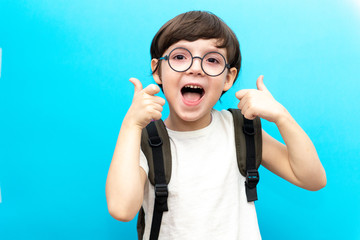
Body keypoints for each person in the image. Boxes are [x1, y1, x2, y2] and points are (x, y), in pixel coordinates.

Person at [106, 11, 326, 239]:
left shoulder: (241, 130)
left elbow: (312, 179)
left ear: (228, 78)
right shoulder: (143, 140)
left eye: (212, 60)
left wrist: (282, 117)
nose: (195, 68)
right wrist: (130, 125)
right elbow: (121, 209)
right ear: (157, 70)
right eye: (180, 57)